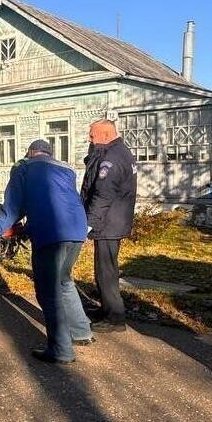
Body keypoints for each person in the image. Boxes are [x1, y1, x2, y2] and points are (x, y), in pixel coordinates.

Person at [0, 139, 94, 364]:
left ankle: (61, 350)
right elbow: (54, 201)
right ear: (50, 154)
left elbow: (12, 208)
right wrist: (28, 226)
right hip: (78, 229)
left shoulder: (24, 167)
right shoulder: (65, 169)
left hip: (52, 233)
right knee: (64, 281)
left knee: (48, 292)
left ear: (30, 152)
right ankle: (81, 331)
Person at [80, 119, 137, 333]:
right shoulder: (119, 152)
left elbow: (102, 195)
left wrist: (87, 225)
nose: (89, 139)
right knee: (106, 269)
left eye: (92, 136)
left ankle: (115, 318)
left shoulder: (111, 159)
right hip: (113, 221)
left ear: (105, 135)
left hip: (107, 223)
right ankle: (107, 310)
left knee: (106, 272)